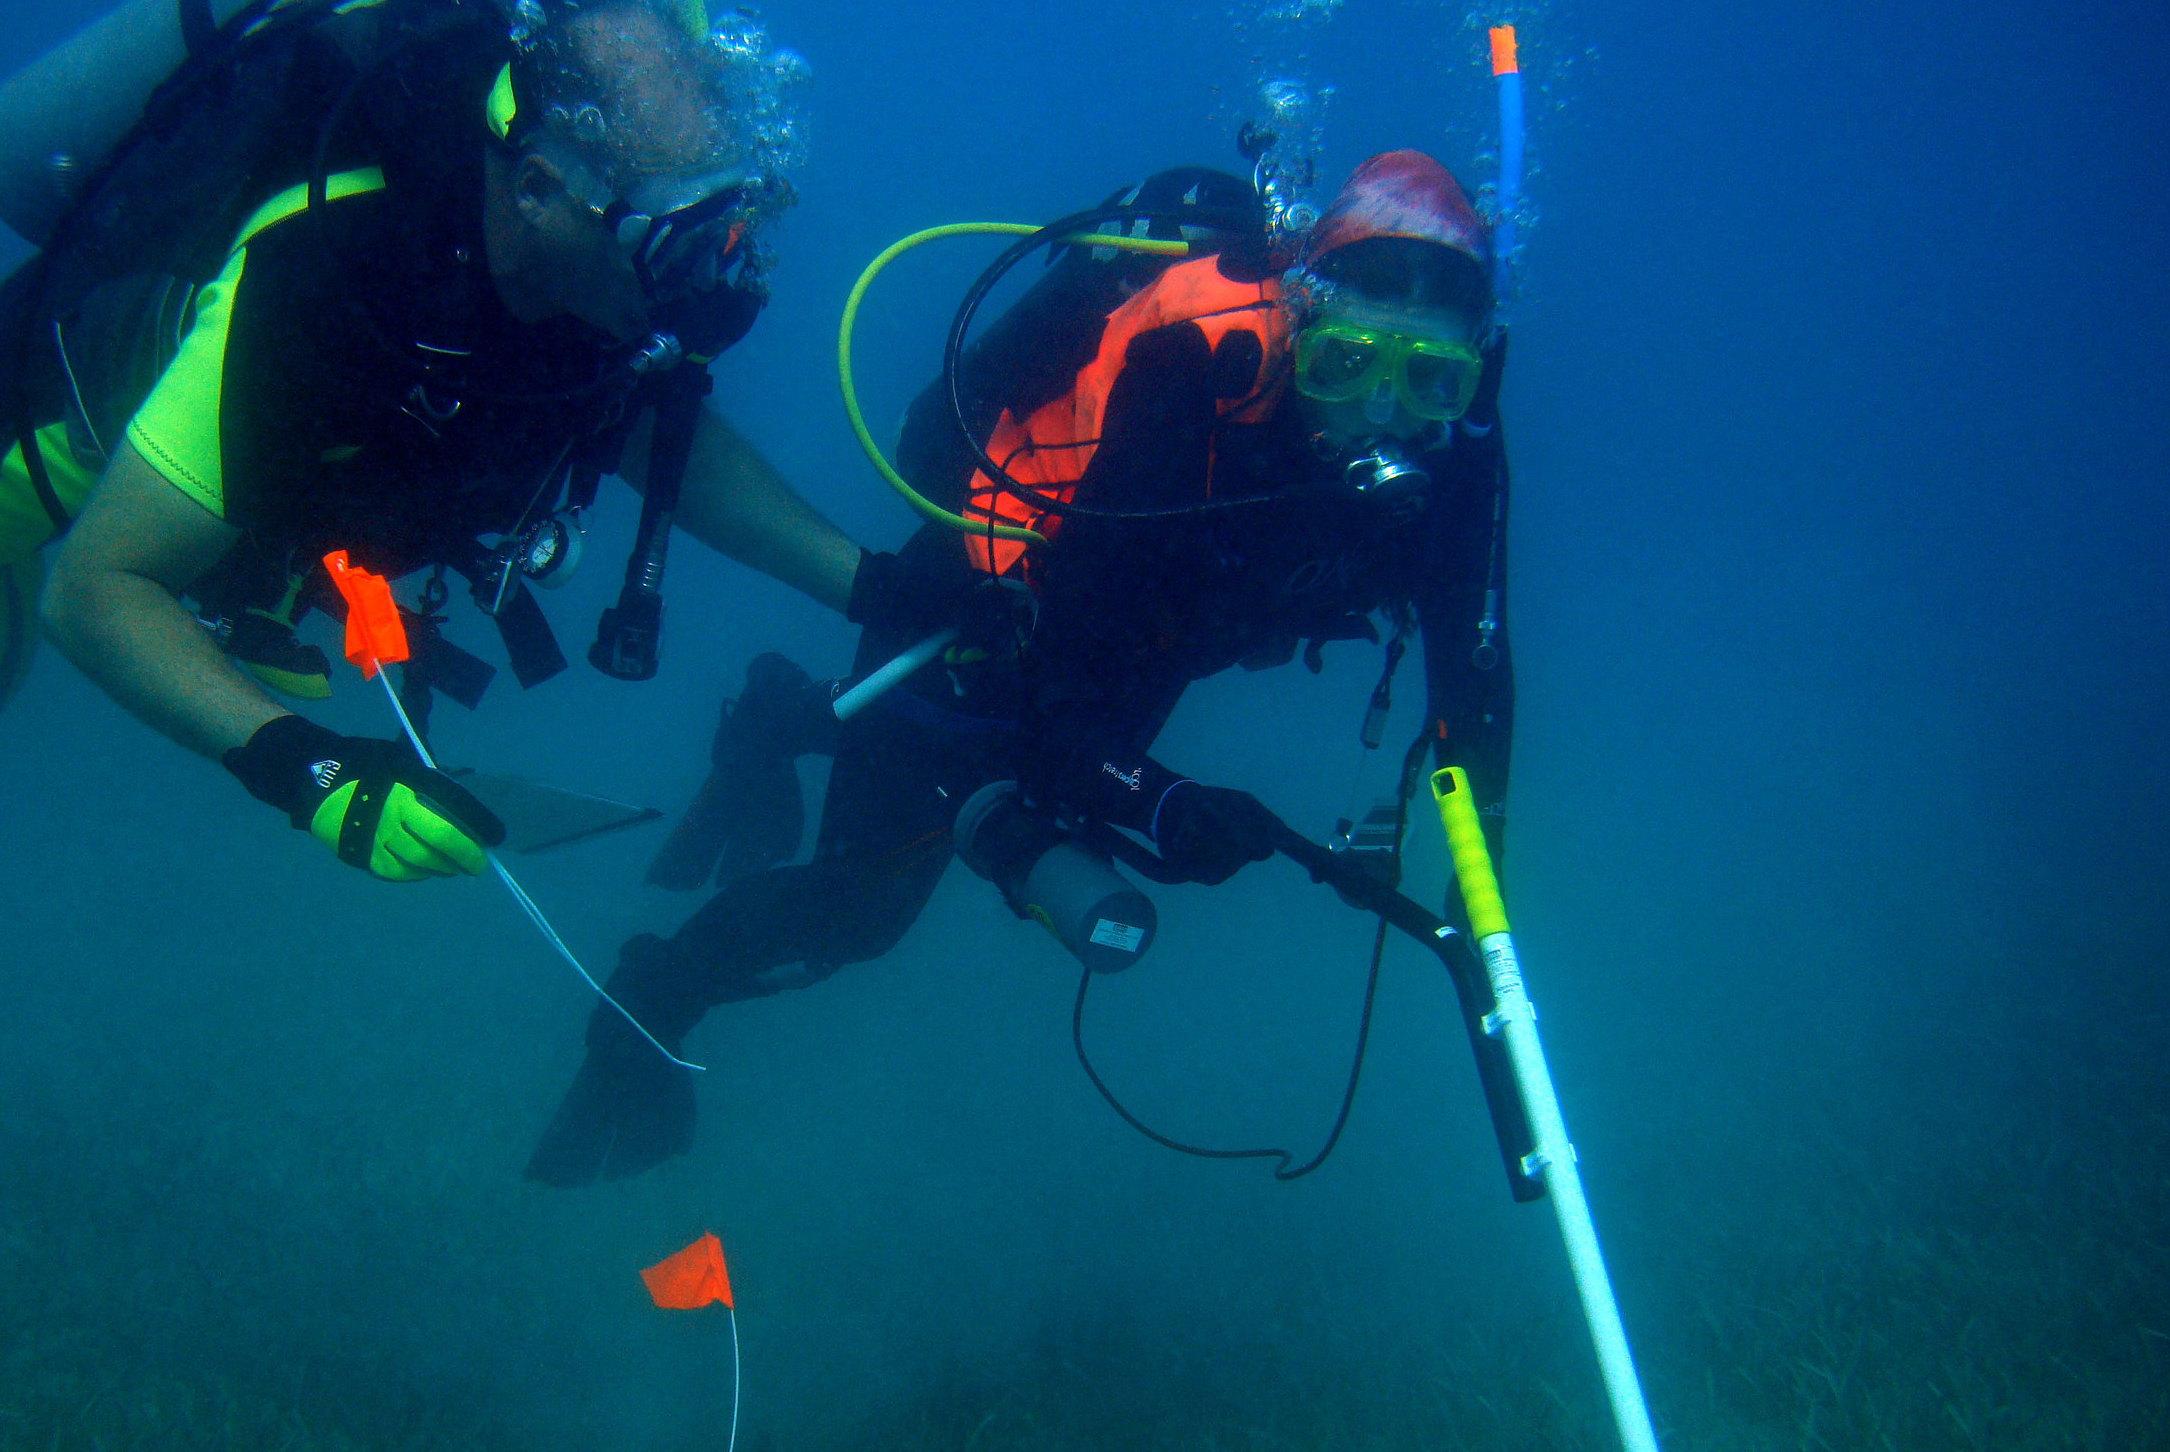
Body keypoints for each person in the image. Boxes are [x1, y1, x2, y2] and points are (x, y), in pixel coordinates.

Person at [0, 0, 921, 882]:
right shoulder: (328, 278)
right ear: (539, 185)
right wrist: (310, 775)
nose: (712, 296)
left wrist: (872, 582)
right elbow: (100, 590)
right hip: (119, 403)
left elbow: (655, 438)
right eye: (681, 245)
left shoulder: (592, 287)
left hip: (290, 486)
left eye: (732, 242)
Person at [531, 156, 1516, 1183]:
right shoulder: (1195, 367)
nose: (1384, 416)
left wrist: (1481, 885)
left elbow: (1474, 677)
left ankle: (781, 711)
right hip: (989, 616)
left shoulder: (1459, 453)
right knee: (858, 913)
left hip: (1141, 647)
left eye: (1431, 379)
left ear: (1470, 373)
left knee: (1003, 783)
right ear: (1302, 322)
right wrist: (1163, 799)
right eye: (1349, 363)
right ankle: (647, 1002)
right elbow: (1059, 706)